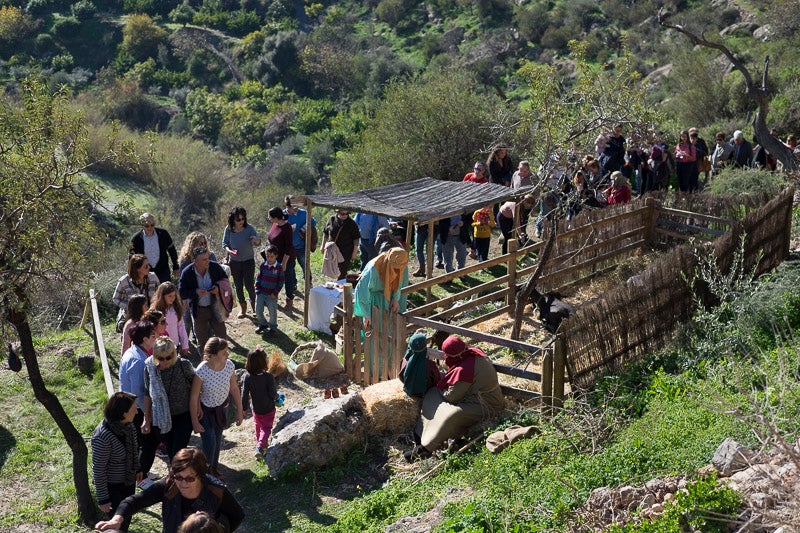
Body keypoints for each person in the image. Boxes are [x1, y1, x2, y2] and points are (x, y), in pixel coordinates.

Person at [94, 447, 245, 533]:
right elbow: (134, 501)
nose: (183, 483)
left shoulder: (215, 489)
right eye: (178, 477)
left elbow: (237, 516)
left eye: (189, 478)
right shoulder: (169, 485)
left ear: (201, 475)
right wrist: (117, 519)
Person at [407, 335, 504, 460]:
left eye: (447, 355)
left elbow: (452, 397)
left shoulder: (465, 369)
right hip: (470, 396)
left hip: (486, 404)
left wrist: (443, 391)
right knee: (432, 394)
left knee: (451, 416)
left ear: (453, 355)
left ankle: (426, 448)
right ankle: (421, 433)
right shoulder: (470, 356)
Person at [190, 337, 243, 477]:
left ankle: (213, 469)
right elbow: (194, 397)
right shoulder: (202, 371)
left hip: (221, 408)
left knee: (218, 440)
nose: (227, 355)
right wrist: (195, 422)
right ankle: (204, 473)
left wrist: (239, 410)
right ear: (212, 355)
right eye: (224, 352)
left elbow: (234, 388)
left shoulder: (229, 365)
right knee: (210, 442)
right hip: (205, 411)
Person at [91, 391, 141, 531]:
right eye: (133, 409)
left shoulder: (129, 426)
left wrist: (137, 468)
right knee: (117, 524)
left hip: (128, 482)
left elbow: (134, 449)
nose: (137, 412)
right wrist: (103, 499)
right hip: (113, 488)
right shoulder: (103, 436)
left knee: (125, 518)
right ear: (123, 413)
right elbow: (98, 469)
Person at [143, 337, 196, 462]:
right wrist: (146, 418)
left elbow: (196, 385)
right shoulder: (150, 368)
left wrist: (197, 406)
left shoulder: (183, 365)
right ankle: (176, 477)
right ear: (155, 356)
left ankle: (178, 477)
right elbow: (147, 393)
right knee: (171, 451)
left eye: (168, 357)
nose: (165, 361)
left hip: (183, 415)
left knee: (177, 453)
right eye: (161, 358)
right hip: (162, 417)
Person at [119, 321, 160, 483]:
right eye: (152, 335)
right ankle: (141, 477)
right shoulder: (139, 361)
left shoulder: (132, 352)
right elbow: (139, 392)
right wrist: (147, 417)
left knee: (139, 444)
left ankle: (140, 473)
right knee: (151, 441)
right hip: (137, 410)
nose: (155, 337)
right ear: (144, 339)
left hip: (131, 408)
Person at [354, 248, 409, 363]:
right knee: (374, 335)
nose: (397, 270)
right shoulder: (374, 268)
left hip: (386, 301)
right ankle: (374, 370)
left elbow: (397, 282)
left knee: (387, 334)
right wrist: (366, 314)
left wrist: (395, 299)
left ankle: (387, 366)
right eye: (395, 267)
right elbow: (361, 290)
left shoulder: (398, 266)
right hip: (373, 302)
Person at [179, 247, 230, 353]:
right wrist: (195, 292)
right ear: (195, 261)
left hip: (215, 307)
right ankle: (205, 364)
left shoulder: (214, 267)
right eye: (204, 260)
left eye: (208, 258)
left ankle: (223, 361)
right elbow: (182, 292)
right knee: (202, 341)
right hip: (199, 310)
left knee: (221, 336)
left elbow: (225, 280)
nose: (208, 261)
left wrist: (217, 287)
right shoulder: (187, 272)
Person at [177, 232, 220, 345]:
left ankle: (208, 343)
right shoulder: (185, 260)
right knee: (186, 320)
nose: (203, 245)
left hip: (208, 292)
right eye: (199, 243)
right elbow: (182, 282)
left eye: (204, 243)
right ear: (192, 244)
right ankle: (184, 344)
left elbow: (217, 274)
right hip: (191, 293)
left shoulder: (211, 256)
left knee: (209, 320)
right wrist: (185, 298)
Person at [222, 206, 261, 318]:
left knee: (249, 284)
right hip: (235, 262)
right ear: (232, 219)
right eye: (238, 219)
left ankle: (255, 307)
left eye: (243, 219)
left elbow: (258, 241)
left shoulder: (249, 228)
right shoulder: (228, 229)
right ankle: (243, 309)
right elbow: (224, 244)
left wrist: (255, 239)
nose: (241, 222)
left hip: (248, 261)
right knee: (238, 286)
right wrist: (230, 251)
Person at [241, 346, 279, 460]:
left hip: (256, 409)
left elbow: (244, 394)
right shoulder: (268, 377)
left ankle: (260, 442)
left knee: (258, 426)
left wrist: (244, 408)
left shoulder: (247, 377)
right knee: (266, 428)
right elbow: (272, 394)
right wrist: (277, 397)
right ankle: (260, 447)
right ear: (264, 362)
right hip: (268, 408)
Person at [113, 254, 160, 332]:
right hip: (132, 317)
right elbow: (115, 298)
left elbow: (159, 295)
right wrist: (130, 307)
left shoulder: (153, 277)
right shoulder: (123, 281)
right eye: (145, 266)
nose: (149, 267)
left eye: (148, 265)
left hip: (150, 314)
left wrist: (153, 306)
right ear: (137, 269)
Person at [129, 213, 180, 284]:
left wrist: (176, 266)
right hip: (145, 272)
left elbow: (172, 250)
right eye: (147, 226)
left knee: (165, 292)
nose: (150, 228)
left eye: (152, 225)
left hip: (163, 270)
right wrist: (134, 273)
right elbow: (132, 257)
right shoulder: (136, 239)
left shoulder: (163, 234)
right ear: (142, 226)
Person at [283, 195, 316, 295]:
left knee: (305, 265)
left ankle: (308, 283)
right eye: (293, 207)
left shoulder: (304, 213)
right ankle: (293, 285)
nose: (296, 209)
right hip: (288, 247)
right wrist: (288, 230)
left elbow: (313, 222)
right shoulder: (282, 215)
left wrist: (304, 228)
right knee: (290, 268)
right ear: (287, 207)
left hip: (301, 246)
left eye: (297, 206)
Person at [265, 206, 295, 309]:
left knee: (287, 279)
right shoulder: (274, 225)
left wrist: (284, 263)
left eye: (270, 216)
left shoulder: (287, 228)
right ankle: (273, 297)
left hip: (286, 259)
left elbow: (289, 247)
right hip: (274, 258)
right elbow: (271, 237)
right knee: (273, 279)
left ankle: (289, 299)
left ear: (276, 217)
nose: (268, 218)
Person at [398, 332, 443, 398]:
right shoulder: (430, 365)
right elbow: (437, 379)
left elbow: (401, 376)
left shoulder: (404, 360)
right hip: (425, 392)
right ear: (425, 347)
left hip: (407, 387)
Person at [151, 282, 189, 356]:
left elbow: (181, 327)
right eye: (169, 296)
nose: (173, 298)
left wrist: (185, 345)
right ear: (162, 296)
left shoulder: (176, 308)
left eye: (174, 296)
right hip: (160, 346)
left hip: (175, 345)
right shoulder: (155, 310)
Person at [321, 209, 361, 281]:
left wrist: (354, 252)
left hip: (346, 251)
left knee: (342, 271)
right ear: (338, 212)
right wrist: (322, 246)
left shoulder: (352, 223)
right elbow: (326, 233)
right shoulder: (331, 219)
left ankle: (341, 286)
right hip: (332, 250)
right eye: (343, 214)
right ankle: (336, 283)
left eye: (347, 214)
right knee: (332, 267)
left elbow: (356, 239)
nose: (345, 215)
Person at [254, 244, 284, 335]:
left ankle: (273, 327)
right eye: (267, 256)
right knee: (258, 310)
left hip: (272, 295)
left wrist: (275, 293)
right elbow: (258, 278)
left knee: (272, 311)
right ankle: (263, 324)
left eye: (271, 256)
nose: (269, 258)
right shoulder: (263, 265)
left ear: (276, 256)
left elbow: (281, 282)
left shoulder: (279, 267)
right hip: (261, 293)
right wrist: (257, 289)